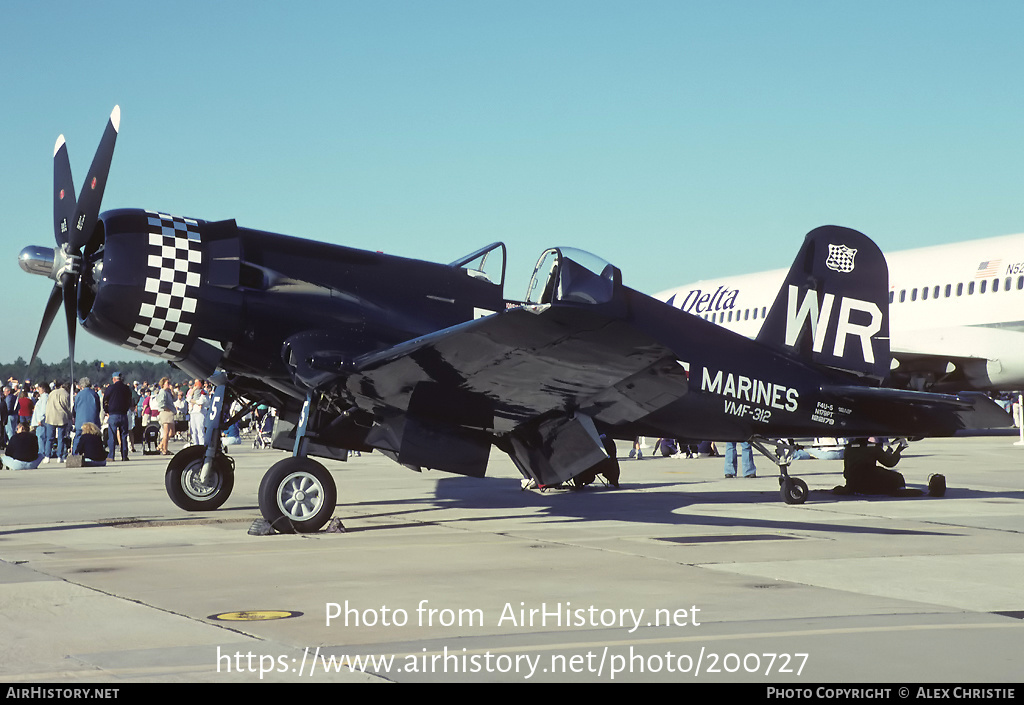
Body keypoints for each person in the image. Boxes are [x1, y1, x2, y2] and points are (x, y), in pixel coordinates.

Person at [103, 372, 132, 461]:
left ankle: (111, 456)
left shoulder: (110, 388)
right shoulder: (126, 388)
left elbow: (105, 400)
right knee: (124, 436)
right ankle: (124, 455)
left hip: (113, 415)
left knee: (112, 437)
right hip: (123, 414)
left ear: (114, 379)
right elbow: (130, 400)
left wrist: (106, 410)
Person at [72, 377, 101, 454]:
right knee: (94, 437)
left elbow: (75, 408)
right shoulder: (94, 394)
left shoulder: (78, 395)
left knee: (78, 437)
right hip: (93, 421)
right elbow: (98, 408)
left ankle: (75, 455)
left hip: (81, 421)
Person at [45, 381, 72, 462]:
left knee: (49, 438)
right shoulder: (66, 395)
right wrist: (70, 417)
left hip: (51, 416)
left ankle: (47, 456)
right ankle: (60, 456)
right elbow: (68, 408)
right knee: (61, 438)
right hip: (62, 417)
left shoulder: (52, 393)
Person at [153, 377, 175, 455]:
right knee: (166, 432)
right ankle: (164, 449)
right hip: (165, 412)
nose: (169, 385)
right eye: (167, 383)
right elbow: (161, 403)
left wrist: (172, 390)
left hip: (170, 412)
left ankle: (160, 445)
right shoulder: (162, 392)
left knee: (172, 432)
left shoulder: (168, 392)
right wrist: (167, 408)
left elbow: (174, 399)